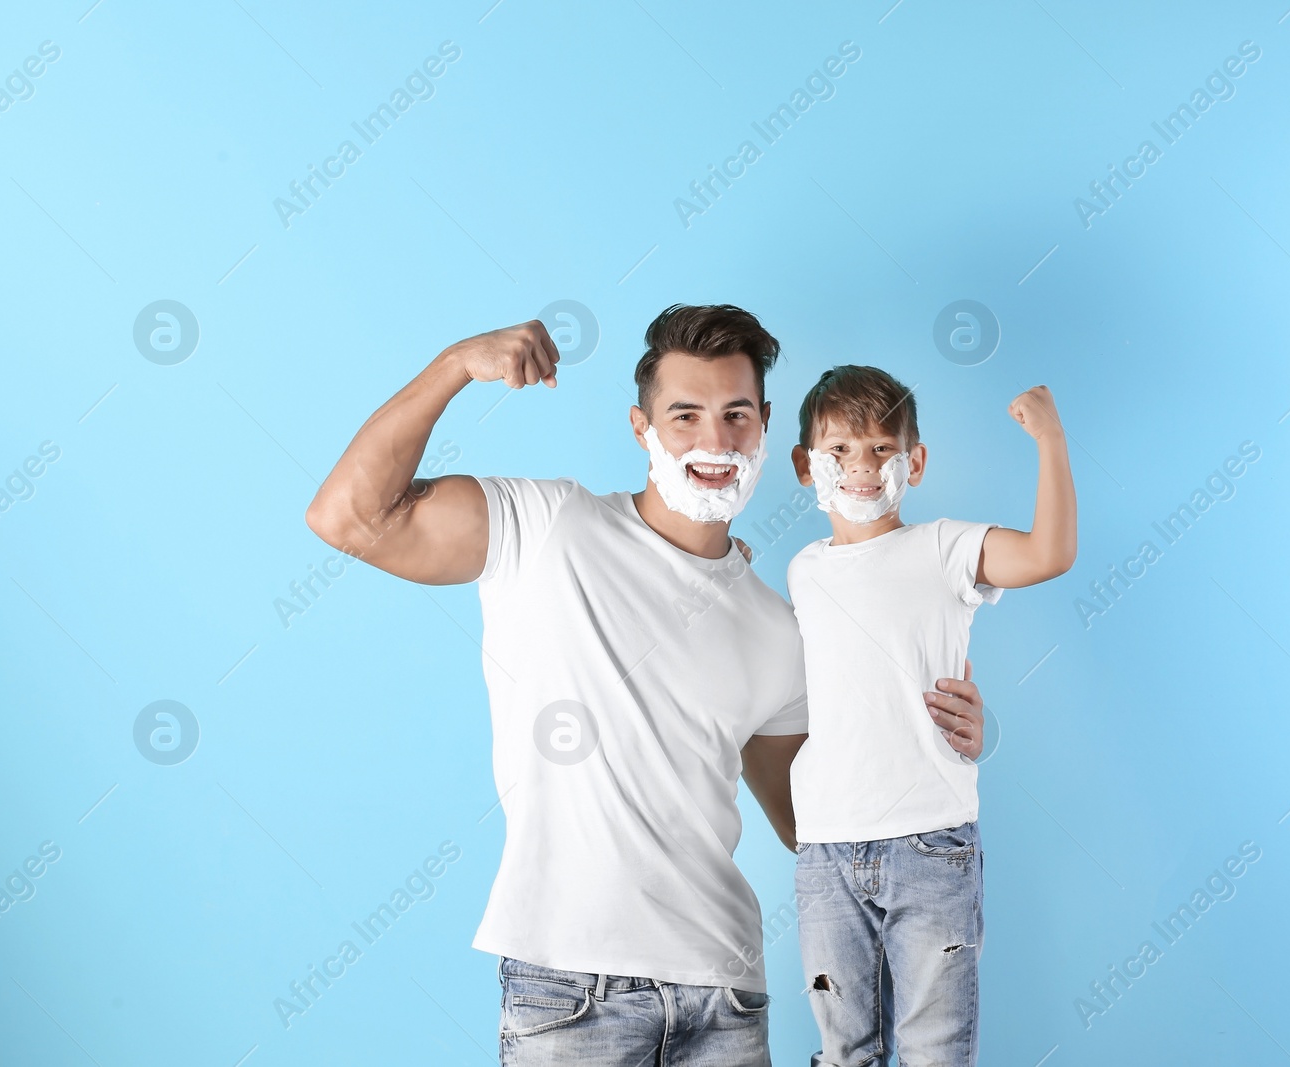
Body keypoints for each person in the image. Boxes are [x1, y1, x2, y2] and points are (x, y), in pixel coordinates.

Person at [304, 306, 989, 1066]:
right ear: (642, 427)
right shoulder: (546, 526)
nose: (715, 440)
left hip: (726, 1003)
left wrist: (936, 741)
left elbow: (817, 822)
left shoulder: (778, 627)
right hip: (571, 997)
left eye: (735, 415)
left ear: (764, 427)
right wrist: (455, 364)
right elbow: (349, 516)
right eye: (685, 414)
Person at [785, 365, 1077, 1065]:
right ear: (806, 466)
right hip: (826, 848)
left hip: (930, 843)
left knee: (936, 1051)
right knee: (842, 1052)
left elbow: (1049, 553)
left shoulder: (945, 547)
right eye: (841, 451)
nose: (861, 466)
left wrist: (1051, 439)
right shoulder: (801, 569)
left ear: (914, 460)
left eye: (882, 448)